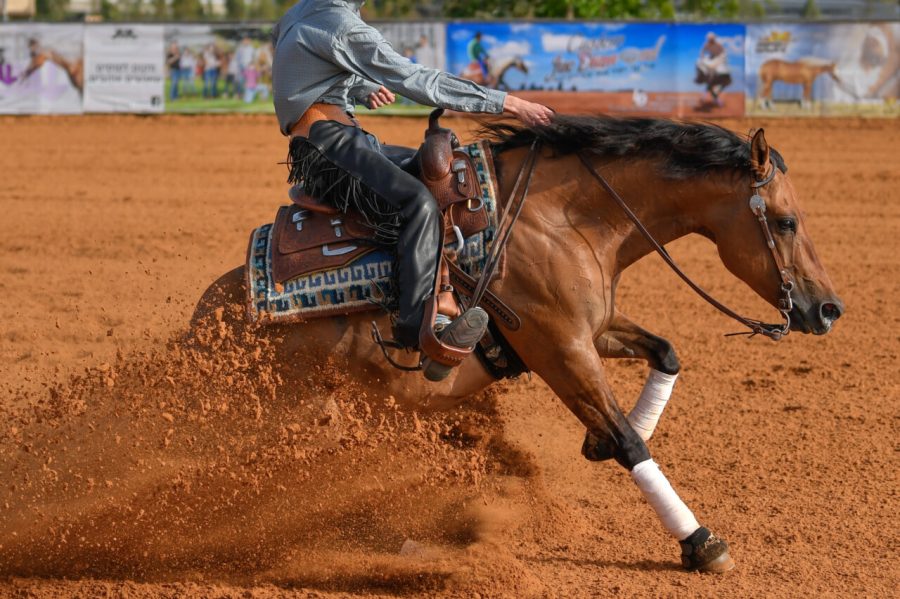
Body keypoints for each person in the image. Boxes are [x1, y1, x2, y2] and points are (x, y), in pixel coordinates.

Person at [272, 0, 552, 377]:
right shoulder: (341, 22)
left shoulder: (303, 11)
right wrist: (507, 103)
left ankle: (453, 295)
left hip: (334, 138)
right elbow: (417, 80)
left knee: (445, 175)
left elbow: (300, 75)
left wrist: (359, 89)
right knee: (417, 204)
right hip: (329, 145)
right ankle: (419, 327)